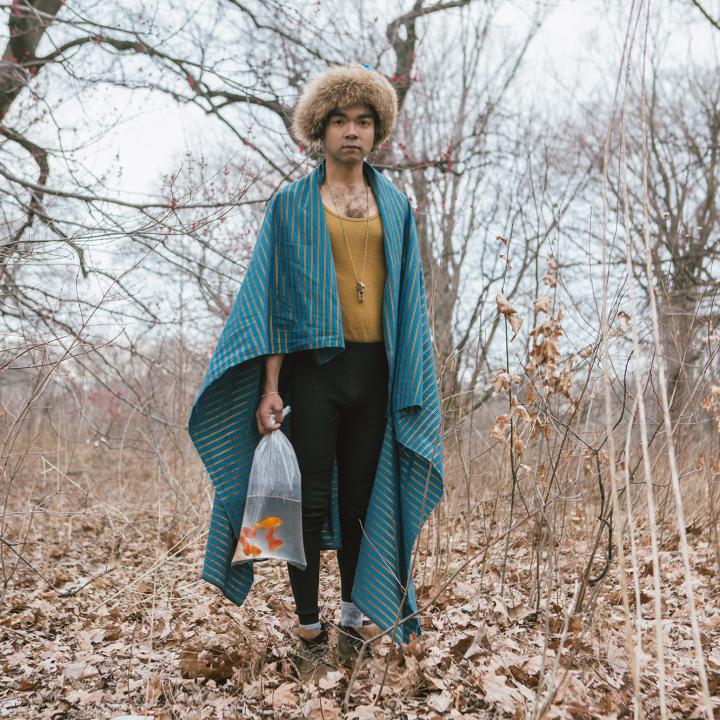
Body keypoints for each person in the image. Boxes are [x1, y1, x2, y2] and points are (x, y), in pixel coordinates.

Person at [187, 63, 444, 665]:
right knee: (304, 499)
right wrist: (270, 386)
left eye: (362, 121)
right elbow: (273, 299)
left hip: (373, 373)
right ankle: (309, 628)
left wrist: (409, 374)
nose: (350, 132)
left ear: (376, 130)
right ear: (319, 131)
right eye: (338, 121)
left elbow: (408, 299)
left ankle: (354, 618)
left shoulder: (396, 206)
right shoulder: (291, 204)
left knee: (361, 499)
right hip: (310, 373)